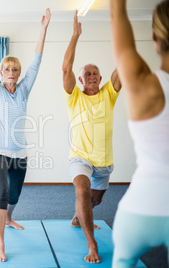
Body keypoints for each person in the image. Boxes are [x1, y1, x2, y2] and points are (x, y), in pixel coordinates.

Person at [0, 6, 51, 262]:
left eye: (15, 70)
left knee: (15, 194)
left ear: (19, 74)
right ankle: (0, 245)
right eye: (7, 69)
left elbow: (37, 61)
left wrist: (43, 29)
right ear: (1, 73)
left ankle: (9, 218)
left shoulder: (23, 90)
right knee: (0, 192)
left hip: (19, 151)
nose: (11, 73)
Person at [110, 1, 169, 267]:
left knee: (123, 260)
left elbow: (116, 13)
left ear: (155, 38)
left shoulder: (144, 83)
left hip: (140, 207)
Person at [62, 10, 122, 264]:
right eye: (87, 74)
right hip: (81, 157)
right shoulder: (74, 97)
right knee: (82, 190)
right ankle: (92, 244)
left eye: (96, 73)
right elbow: (65, 67)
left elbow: (124, 65)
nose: (93, 76)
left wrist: (120, 27)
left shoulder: (109, 93)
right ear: (81, 79)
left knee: (95, 198)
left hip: (104, 160)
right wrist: (75, 35)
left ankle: (78, 218)